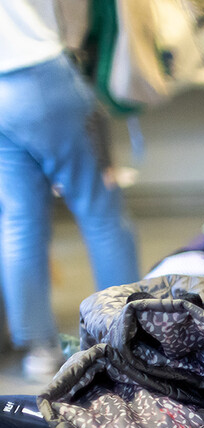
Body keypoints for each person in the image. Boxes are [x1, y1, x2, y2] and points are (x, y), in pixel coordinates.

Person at [0, 0, 139, 381]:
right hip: (44, 71)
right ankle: (125, 334)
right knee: (101, 210)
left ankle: (40, 349)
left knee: (19, 220)